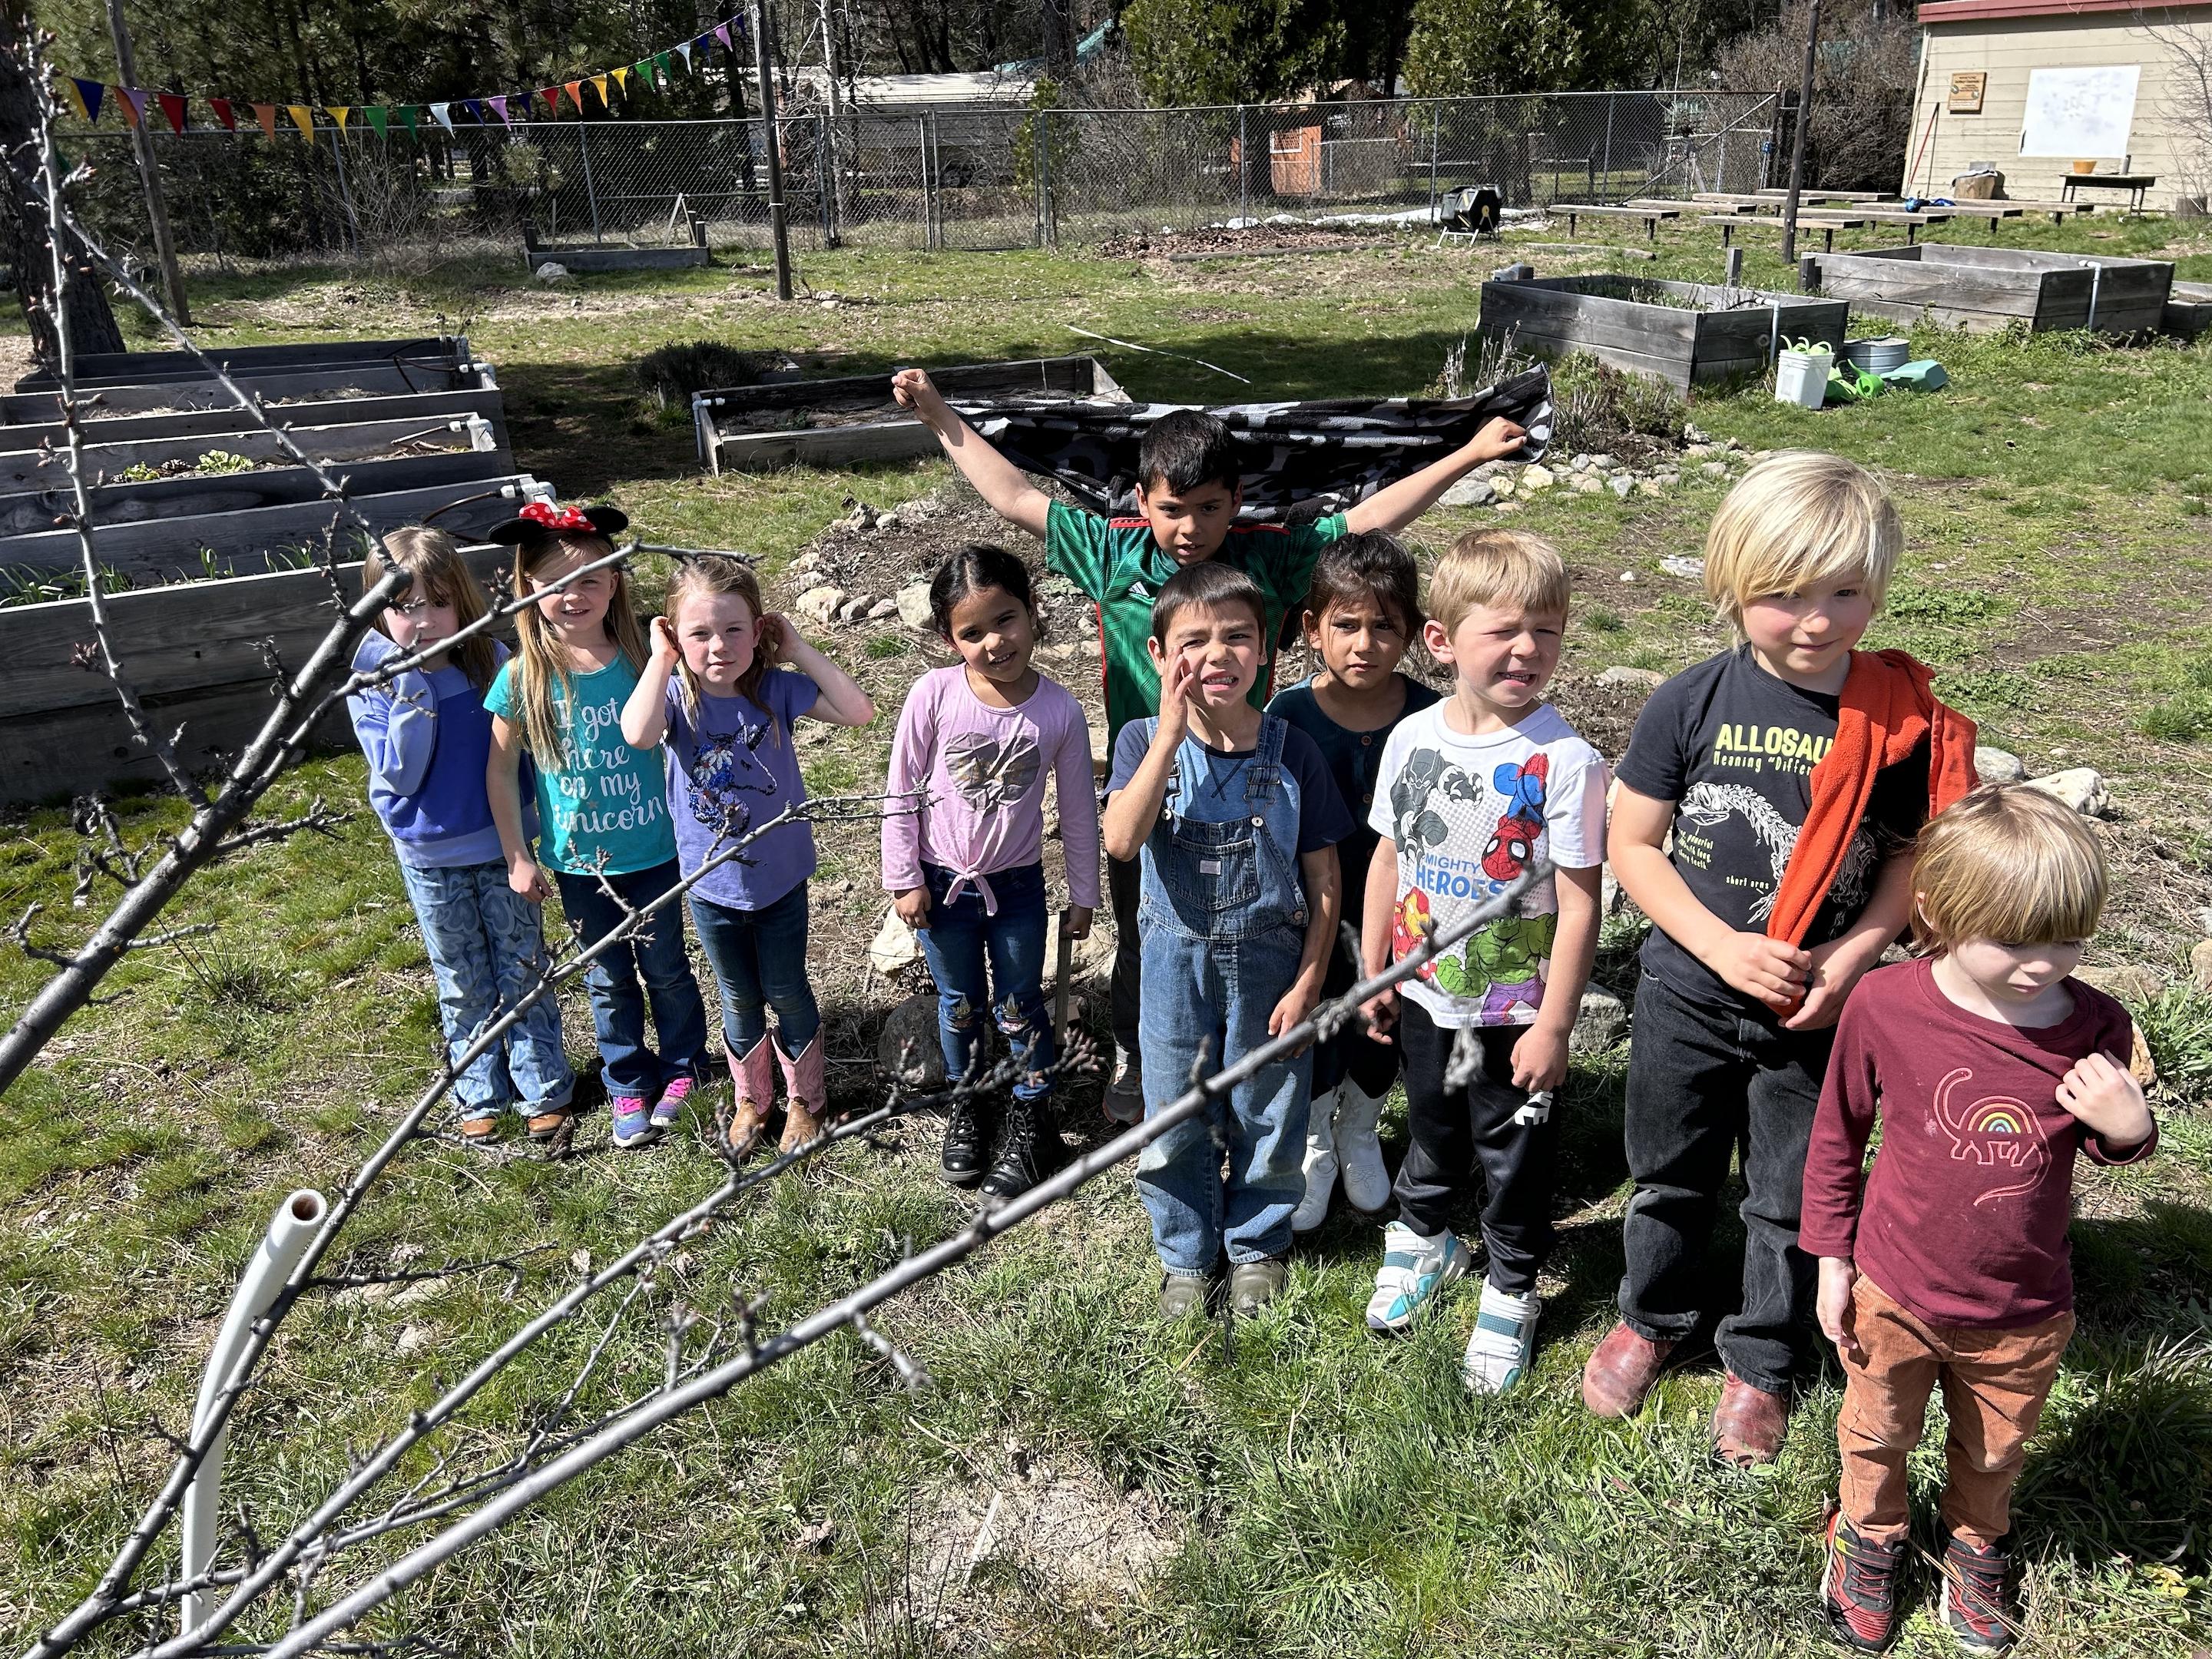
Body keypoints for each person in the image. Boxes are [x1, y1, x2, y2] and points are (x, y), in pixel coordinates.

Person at [891, 366, 1527, 1125]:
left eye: (1209, 508)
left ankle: (1247, 1048)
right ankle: (1138, 1046)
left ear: (1237, 501)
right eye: (1172, 510)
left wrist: (1468, 454)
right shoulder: (1112, 552)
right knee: (1144, 923)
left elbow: (1367, 520)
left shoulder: (1267, 554)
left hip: (1248, 778)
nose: (1190, 528)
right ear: (1141, 504)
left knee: (1251, 916)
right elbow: (1014, 496)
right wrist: (935, 412)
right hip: (1149, 773)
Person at [1584, 452, 1979, 1463]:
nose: (1816, 621)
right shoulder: (1691, 700)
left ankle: (1761, 1357)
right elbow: (1633, 845)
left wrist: (1851, 959)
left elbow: (1905, 861)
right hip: (1686, 992)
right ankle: (1651, 1316)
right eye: (1784, 595)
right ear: (1731, 587)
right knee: (1667, 1175)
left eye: (1845, 593)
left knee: (1789, 1195)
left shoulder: (1890, 724)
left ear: (1878, 587)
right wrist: (1718, 943)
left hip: (1815, 1014)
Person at [1803, 785, 2154, 1653]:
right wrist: (1830, 1259)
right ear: (1939, 912)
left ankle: (1975, 1545)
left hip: (2024, 1306)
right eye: (2016, 943)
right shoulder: (1887, 1007)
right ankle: (1870, 1539)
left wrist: (2131, 1128)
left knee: (1996, 1450)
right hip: (1896, 1287)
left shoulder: (2095, 1024)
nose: (2045, 965)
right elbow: (1837, 1137)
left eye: (2070, 940)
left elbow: (2116, 1143)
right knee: (1876, 1432)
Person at [1354, 531, 1608, 1393]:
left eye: (1547, 630)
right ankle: (1425, 1240)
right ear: (1441, 639)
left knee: (1514, 1152)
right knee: (1429, 1126)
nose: (1528, 649)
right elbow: (1388, 861)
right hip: (1423, 998)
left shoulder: (1566, 763)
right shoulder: (1410, 739)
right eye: (1503, 630)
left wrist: (1557, 1022)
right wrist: (1374, 971)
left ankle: (1511, 1285)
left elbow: (1581, 902)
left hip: (1516, 1016)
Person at [1101, 562, 1353, 1319]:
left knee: (1269, 1108)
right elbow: (1120, 839)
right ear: (1156, 655)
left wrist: (1311, 978)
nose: (1218, 656)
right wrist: (1171, 734)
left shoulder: (1292, 750)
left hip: (1273, 964)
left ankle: (1256, 1243)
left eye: (1237, 638)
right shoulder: (1142, 740)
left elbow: (1326, 880)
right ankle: (1186, 1253)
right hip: (1173, 969)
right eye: (1194, 642)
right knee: (1174, 1112)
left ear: (1265, 651)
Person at [621, 555, 875, 1156]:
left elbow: (859, 711)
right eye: (699, 633)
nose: (718, 646)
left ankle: (806, 1101)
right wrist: (659, 661)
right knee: (736, 995)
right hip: (712, 885)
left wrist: (800, 649)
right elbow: (636, 733)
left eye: (735, 629)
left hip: (781, 882)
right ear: (673, 634)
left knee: (786, 990)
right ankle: (752, 1099)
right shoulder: (676, 701)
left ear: (759, 631)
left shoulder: (775, 691)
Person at [485, 502, 712, 1151]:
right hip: (580, 863)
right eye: (556, 582)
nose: (574, 595)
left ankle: (684, 1066)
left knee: (666, 966)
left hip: (655, 851)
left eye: (590, 579)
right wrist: (516, 855)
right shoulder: (522, 676)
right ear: (528, 587)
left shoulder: (646, 654)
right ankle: (626, 1081)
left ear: (615, 582)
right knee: (606, 978)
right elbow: (500, 773)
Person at [882, 545, 1101, 1204]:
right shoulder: (934, 694)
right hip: (942, 886)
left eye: (1005, 620)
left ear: (1032, 612)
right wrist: (903, 876)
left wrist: (1084, 893)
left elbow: (1078, 812)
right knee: (960, 1004)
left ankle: (1034, 1120)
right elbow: (901, 789)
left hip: (1016, 889)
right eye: (971, 632)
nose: (993, 642)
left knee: (1018, 1004)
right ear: (950, 639)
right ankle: (969, 1102)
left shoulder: (1058, 711)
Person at [347, 528, 574, 1145]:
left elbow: (526, 754)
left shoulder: (494, 665)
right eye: (404, 607)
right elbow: (401, 770)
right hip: (429, 858)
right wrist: (412, 687)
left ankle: (543, 1085)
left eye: (439, 602)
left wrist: (530, 841)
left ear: (465, 601)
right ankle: (479, 1088)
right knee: (460, 973)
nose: (424, 621)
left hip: (504, 848)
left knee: (521, 964)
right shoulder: (374, 687)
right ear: (378, 609)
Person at [1266, 533, 1442, 1231]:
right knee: (1314, 1019)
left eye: (1384, 625)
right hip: (1309, 910)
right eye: (1345, 624)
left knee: (1382, 1020)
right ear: (1312, 629)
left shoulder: (1434, 716)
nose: (1363, 643)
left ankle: (1360, 1128)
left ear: (1412, 633)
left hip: (1402, 910)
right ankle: (1313, 1138)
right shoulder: (1286, 716)